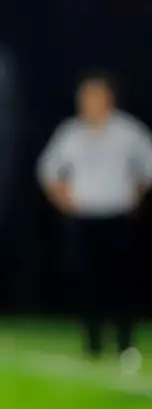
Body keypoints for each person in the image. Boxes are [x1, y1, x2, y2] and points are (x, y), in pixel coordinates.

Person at [38, 73, 152, 371]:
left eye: (96, 98)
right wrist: (65, 201)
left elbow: (147, 169)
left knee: (122, 281)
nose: (91, 104)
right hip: (84, 218)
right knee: (87, 282)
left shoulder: (129, 132)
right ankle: (93, 343)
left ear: (108, 100)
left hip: (117, 217)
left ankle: (125, 343)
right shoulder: (71, 134)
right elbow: (48, 171)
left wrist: (134, 198)